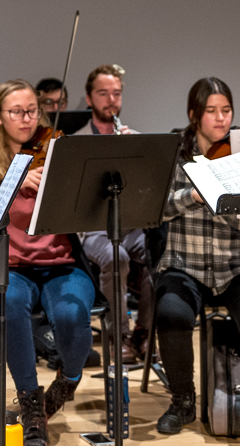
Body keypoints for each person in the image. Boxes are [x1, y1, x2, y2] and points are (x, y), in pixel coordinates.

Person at [0, 79, 96, 446]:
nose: (27, 119)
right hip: (9, 267)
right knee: (10, 305)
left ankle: (69, 379)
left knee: (72, 314)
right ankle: (32, 406)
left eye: (33, 110)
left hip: (62, 264)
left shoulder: (57, 152)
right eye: (17, 112)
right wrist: (11, 184)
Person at [153, 77, 240, 436]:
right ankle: (183, 400)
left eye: (226, 111)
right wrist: (193, 195)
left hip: (236, 263)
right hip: (185, 263)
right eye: (211, 111)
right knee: (171, 314)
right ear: (194, 115)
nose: (220, 119)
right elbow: (154, 210)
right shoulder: (174, 153)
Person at [72, 64, 150, 363]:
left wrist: (136, 154)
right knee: (114, 255)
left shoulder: (134, 137)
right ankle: (119, 336)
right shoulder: (76, 142)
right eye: (103, 94)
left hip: (129, 227)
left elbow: (147, 190)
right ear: (90, 99)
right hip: (93, 230)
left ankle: (144, 332)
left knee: (161, 253)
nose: (111, 100)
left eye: (116, 93)